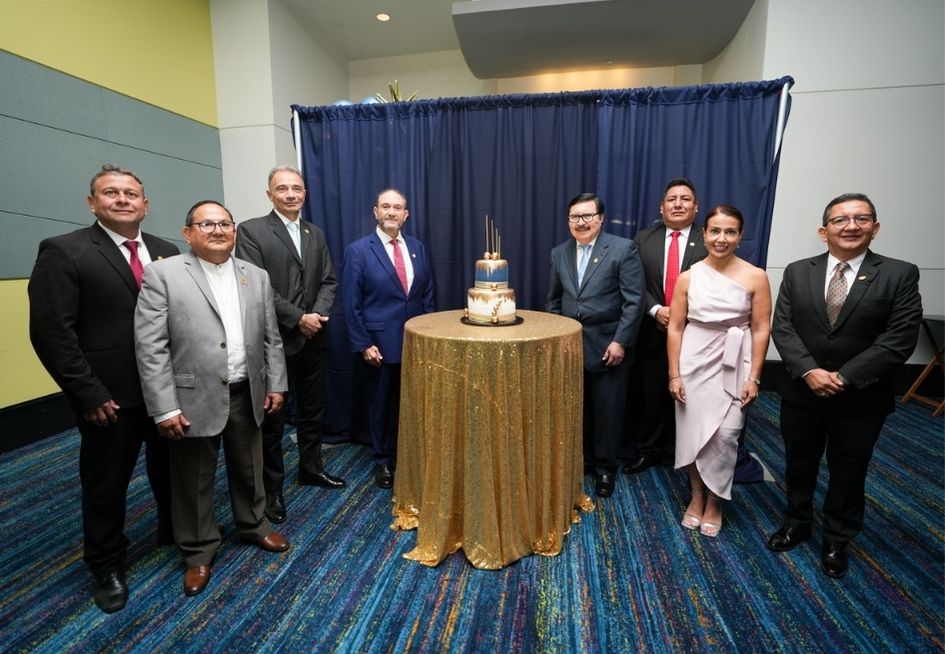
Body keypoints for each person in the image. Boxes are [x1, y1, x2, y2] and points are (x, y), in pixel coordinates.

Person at [28, 164, 178, 614]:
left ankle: (172, 530)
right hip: (110, 398)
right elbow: (52, 333)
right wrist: (88, 393)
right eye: (111, 193)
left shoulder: (167, 251)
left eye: (131, 193)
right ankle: (106, 564)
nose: (122, 199)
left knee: (171, 471)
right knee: (106, 486)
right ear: (92, 203)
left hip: (167, 392)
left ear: (145, 205)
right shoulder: (64, 250)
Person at [134, 200, 290, 597]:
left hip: (247, 390)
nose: (218, 230)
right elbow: (150, 347)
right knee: (194, 478)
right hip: (191, 396)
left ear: (234, 231)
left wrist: (275, 384)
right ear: (188, 233)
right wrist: (164, 406)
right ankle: (198, 550)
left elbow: (270, 336)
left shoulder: (255, 275)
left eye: (225, 224)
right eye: (207, 224)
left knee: (250, 467)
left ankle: (254, 525)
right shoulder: (163, 274)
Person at [768, 193, 921, 577]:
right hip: (802, 392)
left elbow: (899, 338)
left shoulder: (899, 274)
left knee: (849, 470)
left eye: (861, 218)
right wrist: (809, 371)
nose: (851, 226)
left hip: (861, 397)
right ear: (824, 231)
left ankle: (837, 538)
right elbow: (783, 327)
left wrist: (843, 377)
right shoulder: (798, 271)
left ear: (875, 227)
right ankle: (796, 522)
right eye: (840, 220)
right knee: (799, 463)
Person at [235, 166, 341, 526]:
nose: (291, 194)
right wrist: (298, 318)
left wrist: (316, 317)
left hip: (315, 337)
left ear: (305, 194)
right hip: (276, 340)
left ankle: (311, 468)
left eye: (297, 188)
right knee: (273, 419)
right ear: (270, 195)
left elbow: (328, 281)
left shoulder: (315, 233)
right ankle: (272, 490)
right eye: (283, 188)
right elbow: (256, 285)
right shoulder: (251, 231)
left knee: (313, 410)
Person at [667, 205, 771, 537]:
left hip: (736, 361)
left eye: (729, 232)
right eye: (715, 231)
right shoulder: (689, 276)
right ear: (704, 234)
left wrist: (754, 377)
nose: (721, 238)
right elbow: (675, 328)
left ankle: (716, 501)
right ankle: (697, 496)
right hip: (694, 361)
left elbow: (761, 329)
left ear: (740, 236)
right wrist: (674, 374)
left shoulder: (756, 276)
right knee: (694, 434)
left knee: (726, 435)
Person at [546, 193, 644, 498]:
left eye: (587, 216)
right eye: (575, 217)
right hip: (570, 349)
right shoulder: (559, 253)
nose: (581, 222)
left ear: (600, 219)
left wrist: (620, 342)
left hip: (608, 349)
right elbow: (553, 301)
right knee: (576, 411)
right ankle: (582, 462)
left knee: (607, 413)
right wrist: (556, 338)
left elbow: (634, 302)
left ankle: (605, 470)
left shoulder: (622, 249)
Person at [341, 189, 435, 488]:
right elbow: (351, 303)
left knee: (413, 404)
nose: (391, 212)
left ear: (406, 215)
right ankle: (382, 461)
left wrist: (429, 335)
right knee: (380, 406)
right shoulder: (358, 250)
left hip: (415, 344)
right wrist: (363, 344)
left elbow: (427, 295)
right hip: (378, 345)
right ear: (376, 212)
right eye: (386, 206)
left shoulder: (417, 247)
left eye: (397, 207)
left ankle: (410, 457)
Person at [625, 178, 707, 474]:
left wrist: (683, 314)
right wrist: (656, 310)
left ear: (696, 207)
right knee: (651, 395)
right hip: (652, 331)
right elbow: (634, 282)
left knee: (693, 397)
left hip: (697, 333)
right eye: (672, 199)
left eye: (685, 199)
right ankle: (649, 450)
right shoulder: (643, 239)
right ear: (662, 207)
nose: (678, 204)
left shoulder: (709, 238)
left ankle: (689, 453)